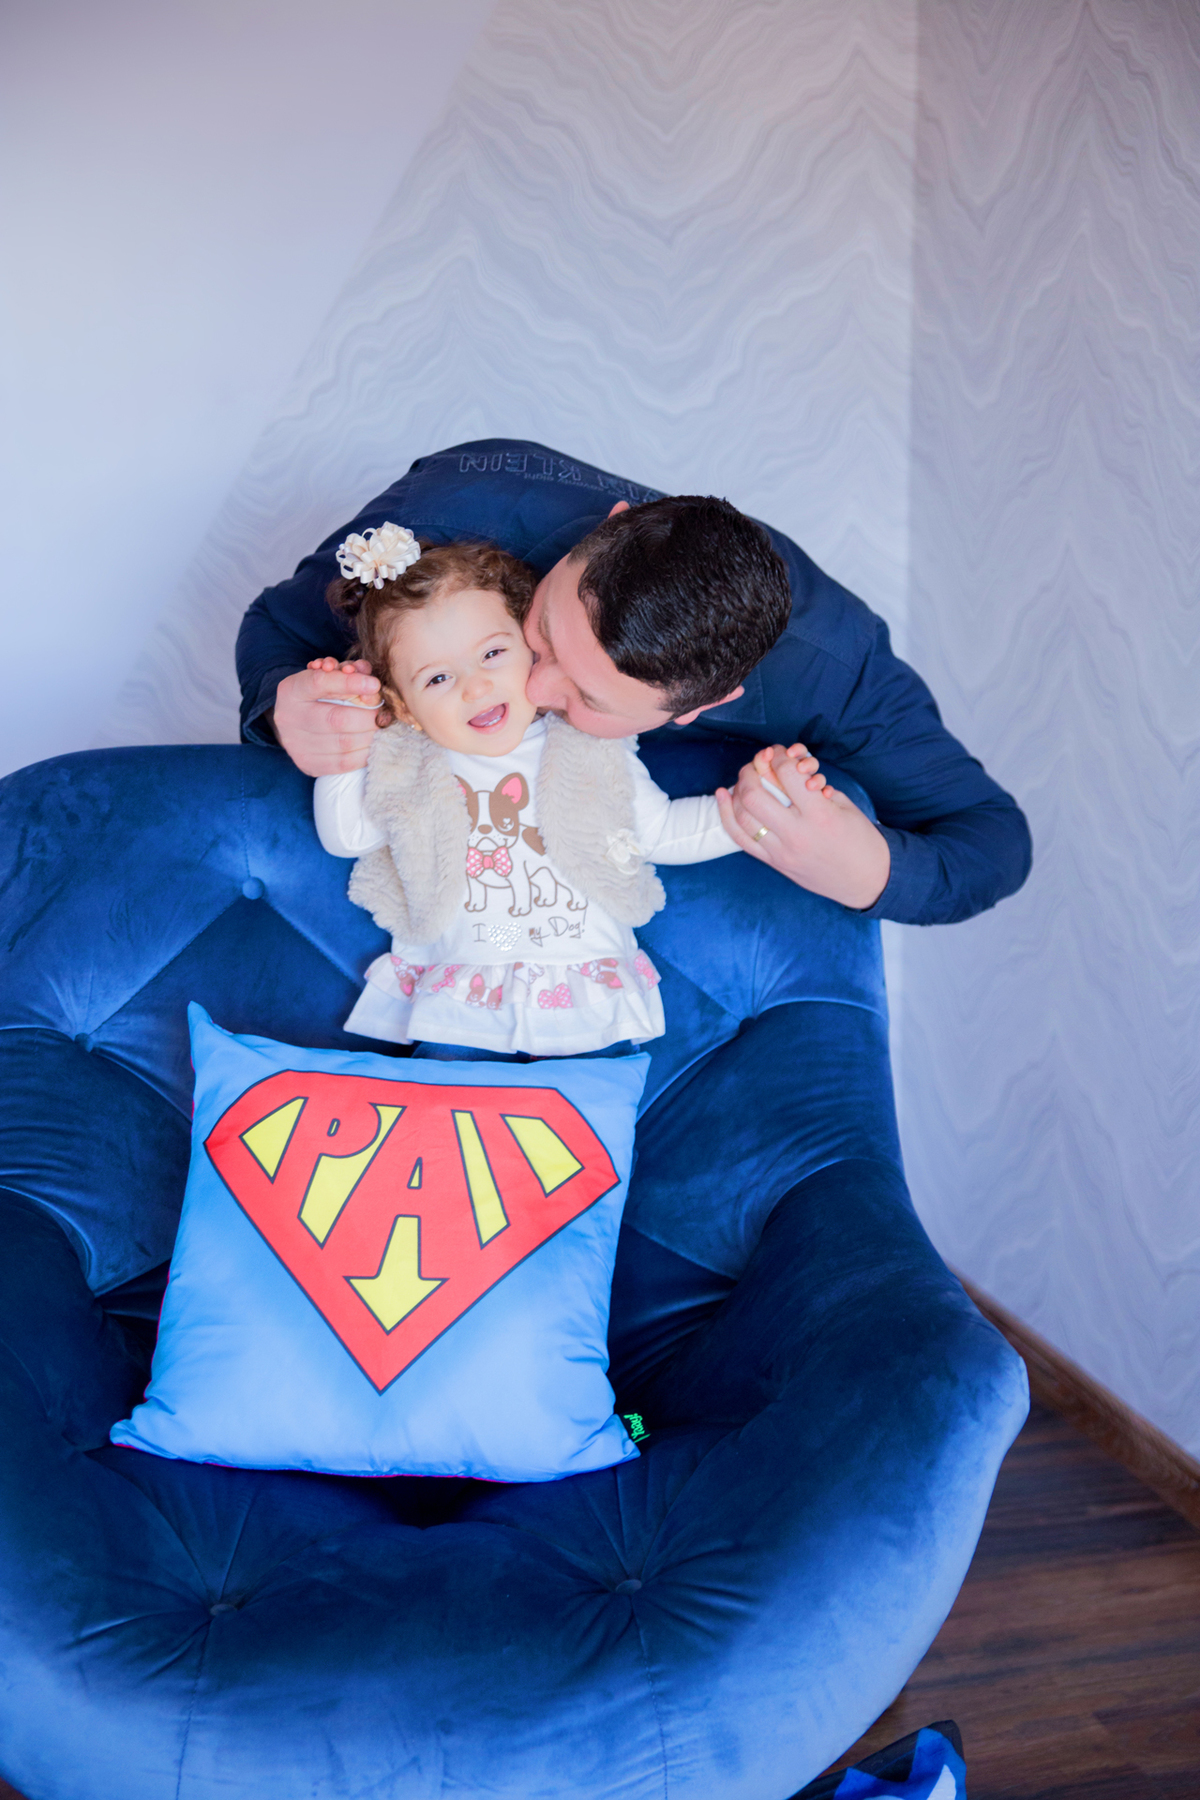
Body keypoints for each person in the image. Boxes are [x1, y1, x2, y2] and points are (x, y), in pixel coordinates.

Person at [238, 439, 1031, 923]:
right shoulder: (450, 509)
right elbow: (279, 626)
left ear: (707, 708)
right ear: (610, 524)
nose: (535, 693)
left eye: (589, 699)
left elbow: (995, 842)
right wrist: (283, 705)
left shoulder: (836, 670)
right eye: (541, 633)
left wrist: (872, 874)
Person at [311, 530, 814, 1060]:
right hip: (460, 995)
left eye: (493, 653)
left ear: (533, 646)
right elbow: (347, 837)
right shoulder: (409, 758)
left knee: (583, 1131)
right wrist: (347, 727)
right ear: (405, 707)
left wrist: (762, 805)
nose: (474, 686)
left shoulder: (589, 743)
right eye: (437, 678)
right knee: (451, 1130)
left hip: (587, 996)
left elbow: (660, 831)